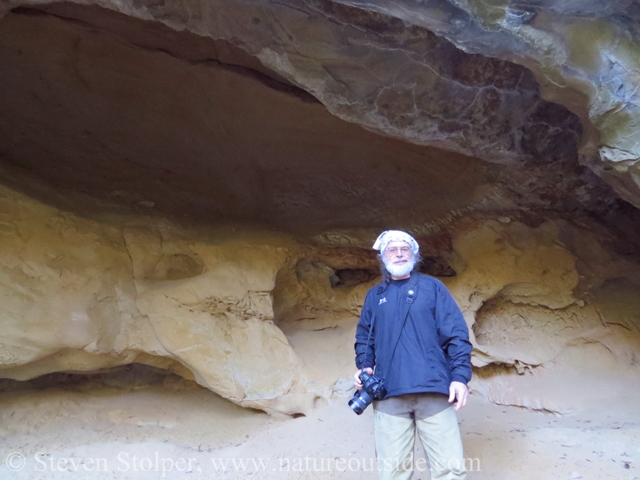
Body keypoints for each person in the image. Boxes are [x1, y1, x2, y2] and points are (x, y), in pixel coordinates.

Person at [353, 230, 472, 480]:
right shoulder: (375, 296)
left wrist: (460, 378)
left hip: (434, 391)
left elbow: (456, 335)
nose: (398, 254)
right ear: (383, 256)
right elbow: (365, 338)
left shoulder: (432, 288)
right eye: (392, 249)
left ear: (414, 255)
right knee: (393, 472)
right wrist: (365, 368)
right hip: (390, 395)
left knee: (450, 470)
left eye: (404, 249)